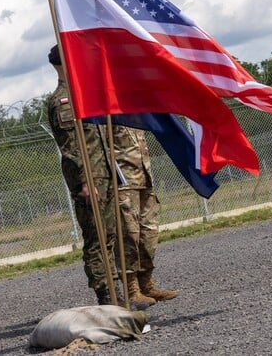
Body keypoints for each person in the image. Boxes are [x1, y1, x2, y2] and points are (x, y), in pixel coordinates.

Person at [46, 44, 118, 305]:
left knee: (110, 234)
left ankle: (116, 288)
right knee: (97, 237)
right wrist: (85, 181)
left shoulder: (81, 95)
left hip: (104, 174)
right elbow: (71, 148)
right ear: (62, 63)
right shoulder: (63, 101)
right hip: (90, 180)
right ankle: (107, 294)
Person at [113, 125, 178, 306]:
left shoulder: (133, 110)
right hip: (123, 182)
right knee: (129, 235)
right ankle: (131, 290)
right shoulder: (107, 110)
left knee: (149, 233)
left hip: (144, 177)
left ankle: (147, 284)